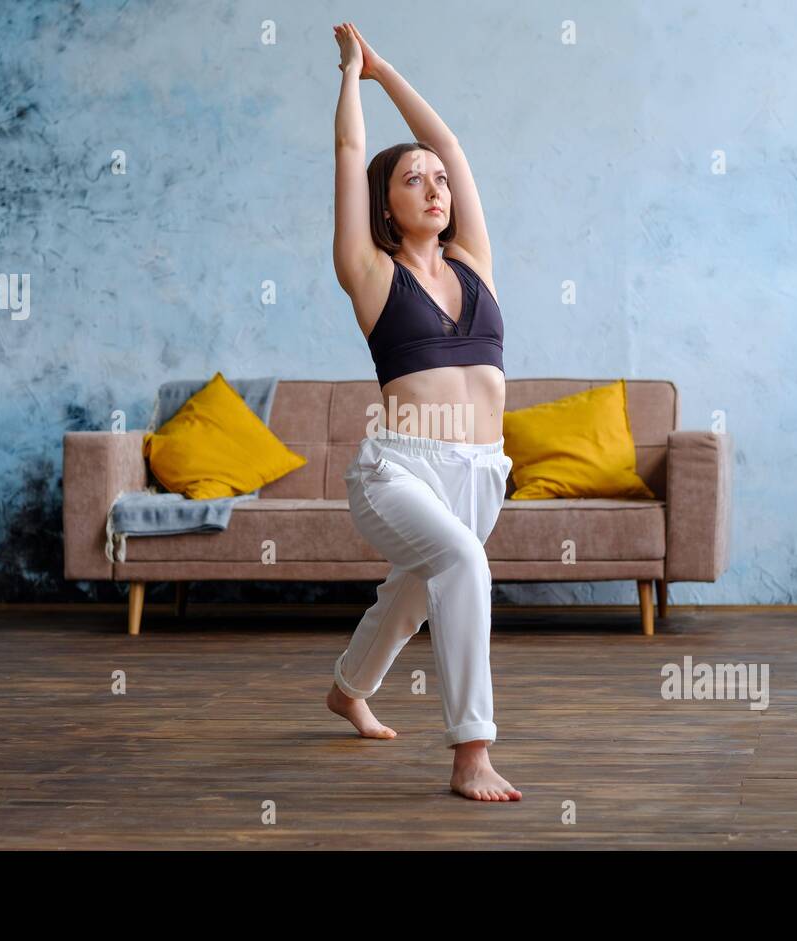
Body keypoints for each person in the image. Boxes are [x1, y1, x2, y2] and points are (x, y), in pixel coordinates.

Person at [326, 21, 521, 801]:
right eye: (414, 178)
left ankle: (348, 688)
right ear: (385, 204)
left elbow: (454, 147)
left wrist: (388, 70)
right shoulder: (370, 274)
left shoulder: (474, 262)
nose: (437, 186)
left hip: (481, 475)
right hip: (400, 467)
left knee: (410, 596)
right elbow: (348, 156)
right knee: (462, 564)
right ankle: (471, 750)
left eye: (439, 179)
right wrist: (351, 77)